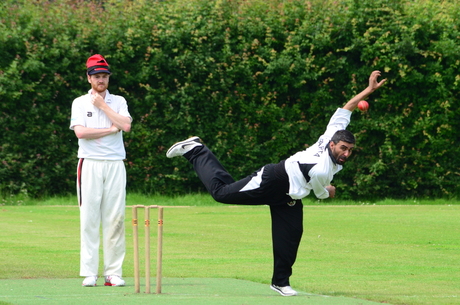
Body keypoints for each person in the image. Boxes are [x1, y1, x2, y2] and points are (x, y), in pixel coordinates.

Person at [166, 71, 386, 296]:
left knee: (291, 235)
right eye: (343, 149)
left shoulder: (333, 132)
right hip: (273, 180)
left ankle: (280, 282)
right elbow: (321, 194)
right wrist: (329, 191)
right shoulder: (321, 168)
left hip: (290, 196)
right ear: (332, 145)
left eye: (349, 150)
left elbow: (347, 107)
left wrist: (369, 90)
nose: (346, 153)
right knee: (221, 193)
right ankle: (196, 150)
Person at [70, 54, 132, 287]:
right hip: (89, 162)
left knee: (115, 218)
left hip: (115, 162)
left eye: (104, 76)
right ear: (89, 78)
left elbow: (125, 125)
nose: (101, 80)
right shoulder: (79, 102)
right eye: (96, 76)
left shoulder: (118, 101)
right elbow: (81, 133)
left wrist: (103, 106)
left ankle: (113, 273)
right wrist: (109, 130)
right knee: (89, 218)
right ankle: (89, 272)